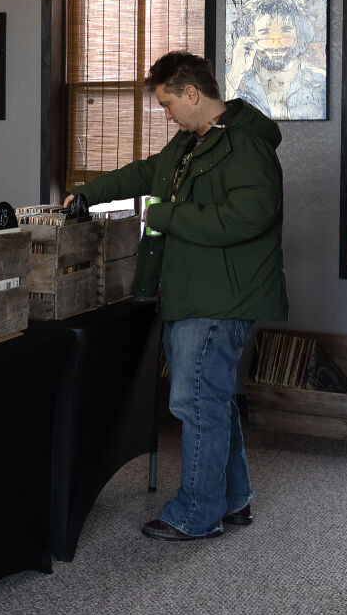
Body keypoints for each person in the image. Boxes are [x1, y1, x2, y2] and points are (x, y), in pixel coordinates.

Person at [65, 50, 286, 542]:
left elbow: (251, 217)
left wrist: (163, 218)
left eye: (168, 104)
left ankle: (197, 512)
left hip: (219, 298)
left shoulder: (245, 146)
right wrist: (88, 192)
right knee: (214, 399)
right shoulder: (193, 141)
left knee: (194, 402)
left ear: (192, 93)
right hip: (197, 290)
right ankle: (232, 499)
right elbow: (149, 173)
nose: (166, 115)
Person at [225, 0, 326, 119]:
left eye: (286, 31)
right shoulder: (232, 79)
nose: (276, 43)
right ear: (250, 35)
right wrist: (236, 73)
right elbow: (217, 123)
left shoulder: (320, 79)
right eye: (265, 32)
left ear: (299, 35)